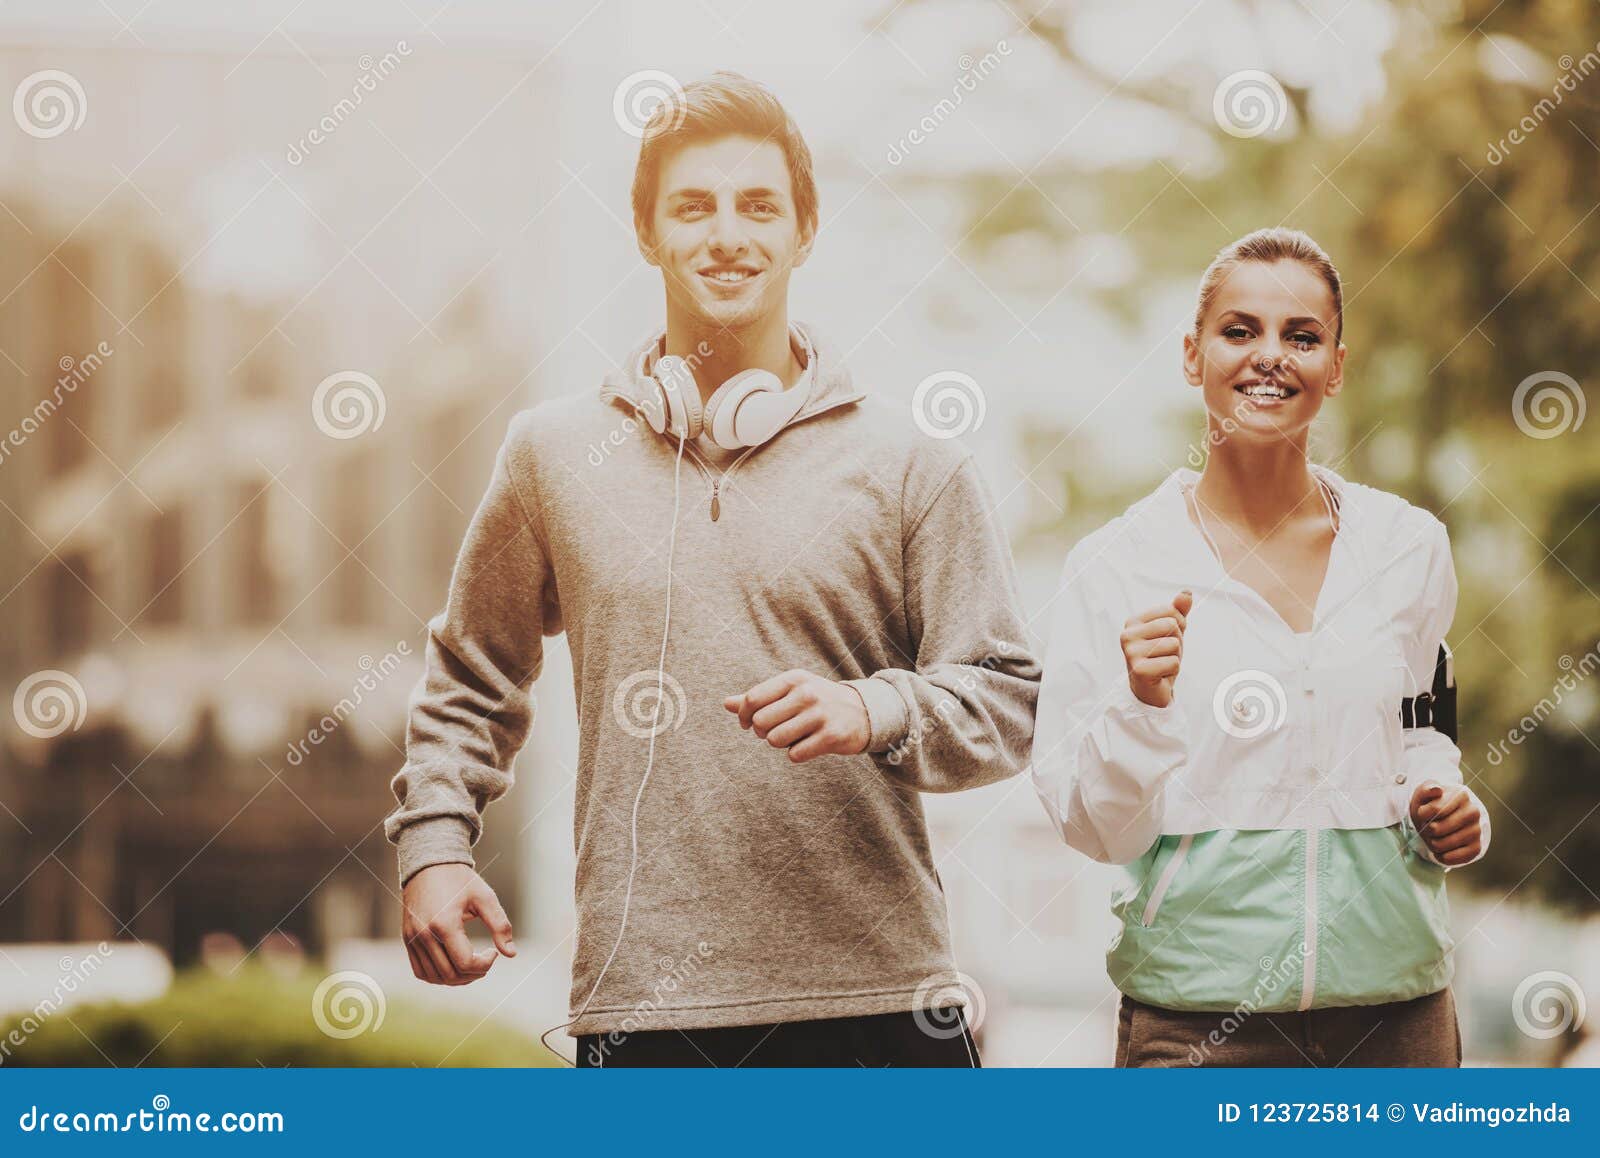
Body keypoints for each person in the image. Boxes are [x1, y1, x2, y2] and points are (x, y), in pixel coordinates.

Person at [383, 72, 1039, 1068]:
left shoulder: (914, 467)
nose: (726, 233)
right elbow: (471, 673)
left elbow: (1008, 707)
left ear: (803, 230)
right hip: (645, 1008)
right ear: (646, 232)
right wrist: (433, 845)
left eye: (757, 205)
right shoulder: (551, 456)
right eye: (692, 206)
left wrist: (878, 707)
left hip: (881, 1008)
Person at [1030, 227, 1490, 1067]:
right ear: (1191, 354)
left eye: (1302, 336)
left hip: (1400, 1022)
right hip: (1199, 1029)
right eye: (1240, 331)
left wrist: (1441, 803)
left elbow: (1423, 727)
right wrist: (1141, 705)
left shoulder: (1407, 546)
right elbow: (1095, 830)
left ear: (1337, 367)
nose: (1271, 356)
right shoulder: (1114, 565)